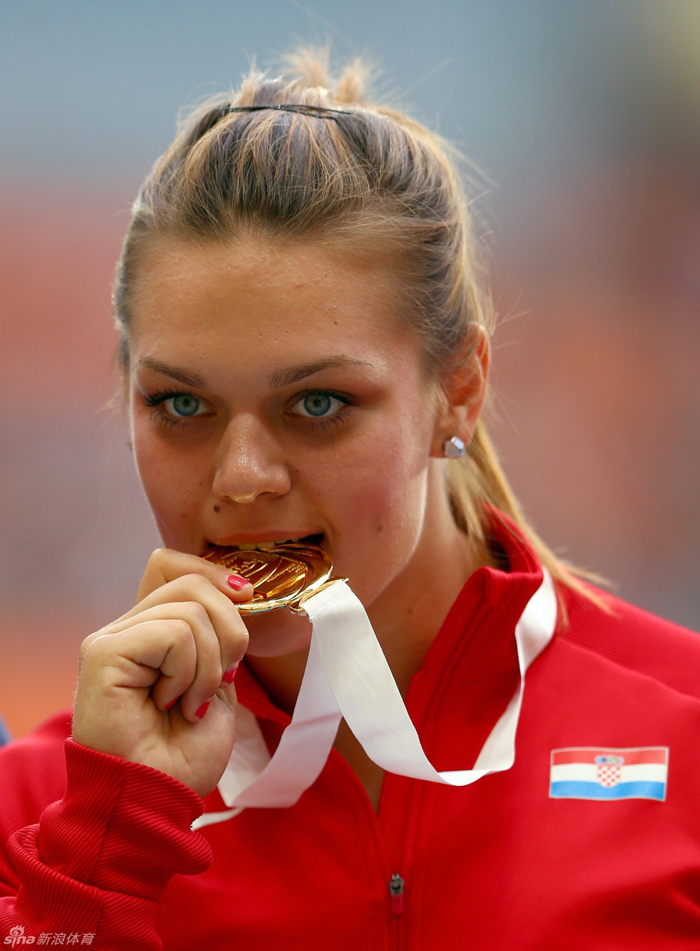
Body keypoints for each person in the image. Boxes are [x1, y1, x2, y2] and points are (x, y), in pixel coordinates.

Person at [1, 50, 699, 951]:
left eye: (317, 403)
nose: (242, 474)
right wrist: (112, 844)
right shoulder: (48, 808)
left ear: (461, 387)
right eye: (182, 404)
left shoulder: (683, 730)